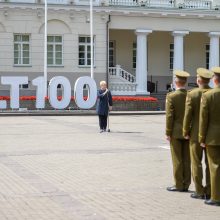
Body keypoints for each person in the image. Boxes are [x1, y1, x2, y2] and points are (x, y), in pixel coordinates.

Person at [183, 68, 213, 200]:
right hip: (211, 134)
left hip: (195, 134)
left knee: (196, 163)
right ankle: (210, 190)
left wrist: (185, 131)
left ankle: (199, 191)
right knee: (210, 163)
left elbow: (187, 116)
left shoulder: (192, 94)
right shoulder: (213, 93)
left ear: (199, 80)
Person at [166, 70, 191, 192]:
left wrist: (168, 132)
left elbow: (170, 116)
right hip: (189, 131)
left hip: (175, 131)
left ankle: (178, 184)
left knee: (177, 158)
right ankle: (186, 183)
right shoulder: (190, 95)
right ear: (185, 82)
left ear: (175, 82)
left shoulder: (172, 96)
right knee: (187, 158)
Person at [199, 67, 220, 206]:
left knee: (215, 167)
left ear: (215, 79)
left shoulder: (208, 95)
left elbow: (203, 119)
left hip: (213, 137)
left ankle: (216, 197)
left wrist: (201, 138)